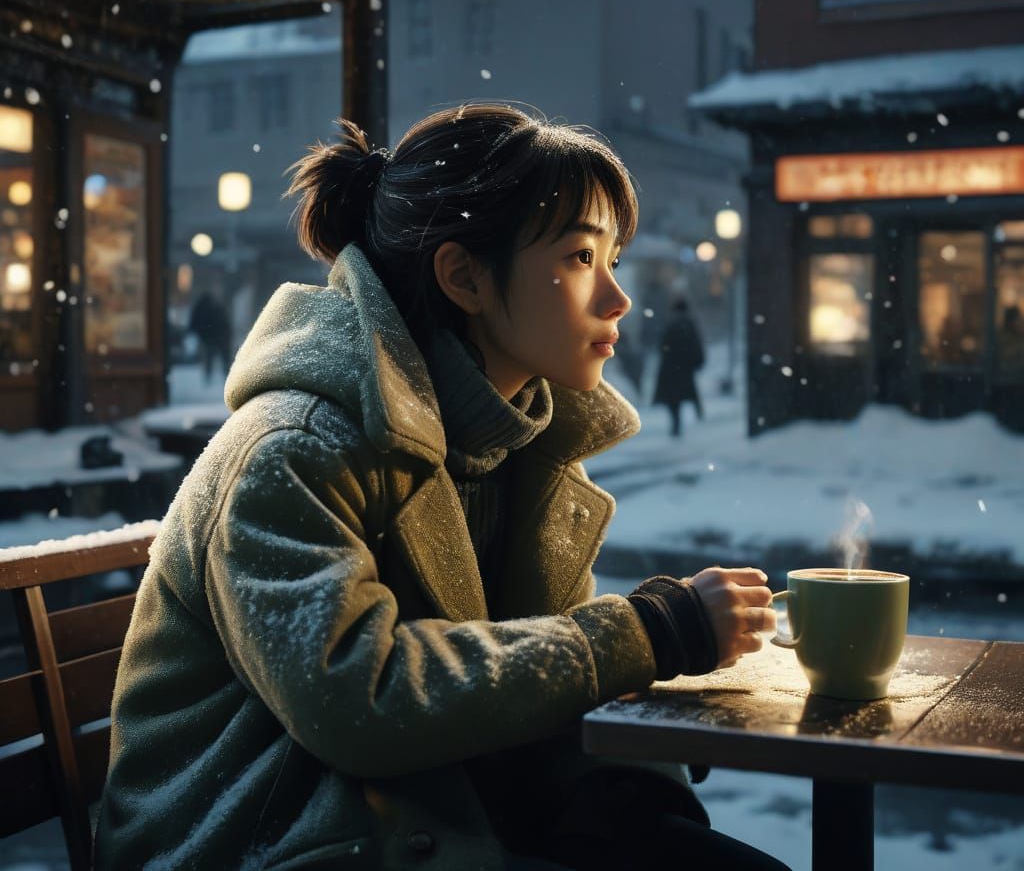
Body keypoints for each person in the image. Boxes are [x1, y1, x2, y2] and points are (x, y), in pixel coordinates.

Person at [94, 103, 785, 871]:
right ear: (464, 277)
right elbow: (359, 699)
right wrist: (647, 634)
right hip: (267, 839)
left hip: (427, 811)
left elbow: (522, 671)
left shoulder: (524, 443)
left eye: (613, 260)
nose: (617, 299)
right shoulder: (292, 448)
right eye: (583, 259)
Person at [653, 296, 705, 438]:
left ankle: (677, 424)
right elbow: (696, 344)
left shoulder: (670, 324)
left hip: (671, 368)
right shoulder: (688, 324)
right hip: (685, 367)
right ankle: (699, 415)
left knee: (674, 399)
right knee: (690, 392)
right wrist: (698, 360)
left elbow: (662, 346)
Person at [188, 289, 232, 383]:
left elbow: (194, 323)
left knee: (210, 356)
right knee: (222, 357)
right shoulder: (216, 307)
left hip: (210, 336)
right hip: (218, 335)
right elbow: (225, 323)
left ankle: (210, 376)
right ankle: (225, 375)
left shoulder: (203, 307)